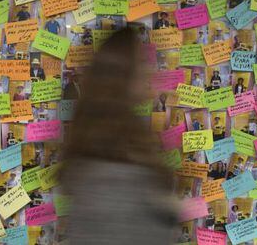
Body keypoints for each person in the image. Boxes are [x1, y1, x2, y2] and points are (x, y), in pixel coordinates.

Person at [61, 28, 177, 243]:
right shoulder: (111, 164)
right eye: (141, 62)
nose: (149, 70)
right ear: (123, 74)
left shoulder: (113, 139)